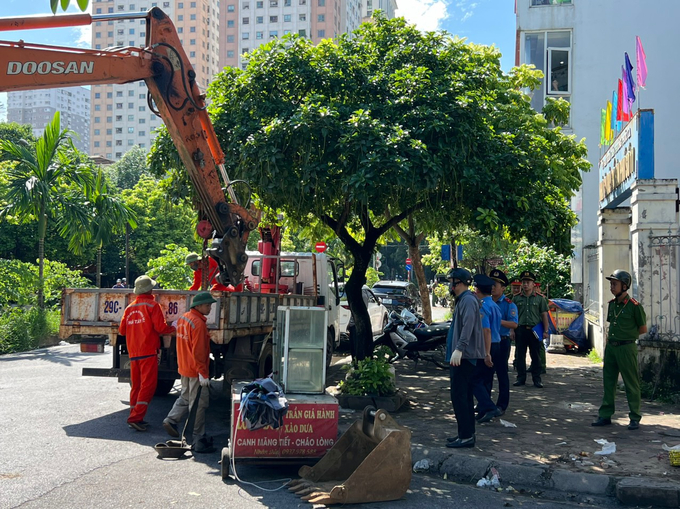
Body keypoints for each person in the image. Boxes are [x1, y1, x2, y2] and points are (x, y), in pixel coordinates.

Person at [118, 275, 175, 431]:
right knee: (148, 386)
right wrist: (174, 329)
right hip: (148, 351)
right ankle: (135, 417)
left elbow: (122, 330)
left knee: (136, 386)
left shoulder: (129, 308)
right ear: (150, 289)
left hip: (133, 352)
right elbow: (161, 328)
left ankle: (134, 414)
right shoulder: (152, 306)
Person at [592, 270, 647, 431]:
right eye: (611, 284)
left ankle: (635, 417)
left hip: (626, 347)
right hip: (612, 347)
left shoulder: (634, 306)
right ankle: (605, 415)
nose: (611, 287)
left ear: (624, 285)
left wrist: (627, 336)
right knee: (608, 382)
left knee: (631, 383)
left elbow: (642, 328)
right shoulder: (612, 304)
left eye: (614, 284)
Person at [163, 292, 217, 452]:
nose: (210, 307)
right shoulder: (198, 323)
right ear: (198, 306)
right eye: (208, 305)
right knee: (199, 403)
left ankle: (171, 419)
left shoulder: (184, 318)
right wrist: (203, 373)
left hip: (184, 367)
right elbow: (199, 351)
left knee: (185, 397)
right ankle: (198, 436)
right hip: (195, 370)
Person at [445, 268, 485, 449]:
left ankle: (466, 435)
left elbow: (468, 326)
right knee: (464, 396)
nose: (449, 285)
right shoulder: (464, 300)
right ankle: (465, 433)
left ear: (458, 283)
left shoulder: (468, 300)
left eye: (451, 281)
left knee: (460, 396)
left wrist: (459, 349)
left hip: (465, 356)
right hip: (463, 356)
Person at [471, 274, 502, 424]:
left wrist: (486, 353)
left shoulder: (482, 306)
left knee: (474, 380)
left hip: (487, 345)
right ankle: (484, 410)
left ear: (478, 290)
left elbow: (486, 331)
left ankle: (489, 407)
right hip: (497, 344)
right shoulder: (494, 305)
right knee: (486, 379)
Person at [512, 270, 549, 388]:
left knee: (536, 355)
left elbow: (544, 315)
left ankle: (537, 379)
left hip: (535, 330)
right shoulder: (516, 299)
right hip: (521, 329)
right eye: (524, 282)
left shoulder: (539, 299)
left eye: (528, 282)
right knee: (520, 355)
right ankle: (520, 378)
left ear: (533, 284)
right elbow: (512, 316)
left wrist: (546, 331)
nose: (525, 284)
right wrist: (511, 330)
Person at [489, 269, 518, 414]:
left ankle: (501, 405)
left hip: (502, 341)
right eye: (491, 284)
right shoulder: (485, 302)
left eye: (496, 285)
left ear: (503, 288)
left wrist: (498, 321)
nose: (493, 287)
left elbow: (514, 324)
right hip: (487, 342)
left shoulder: (509, 304)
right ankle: (485, 402)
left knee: (501, 374)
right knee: (485, 374)